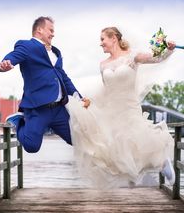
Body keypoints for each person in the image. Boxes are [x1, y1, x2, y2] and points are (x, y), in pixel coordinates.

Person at [67, 26, 176, 188]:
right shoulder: (103, 65)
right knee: (114, 153)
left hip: (130, 108)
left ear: (113, 38)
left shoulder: (132, 56)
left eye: (103, 39)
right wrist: (90, 103)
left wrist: (168, 50)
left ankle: (162, 162)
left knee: (140, 141)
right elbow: (105, 89)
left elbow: (156, 58)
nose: (101, 43)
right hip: (112, 111)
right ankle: (149, 169)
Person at [0, 16, 90, 153]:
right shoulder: (27, 46)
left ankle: (48, 126)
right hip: (38, 108)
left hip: (59, 109)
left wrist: (78, 96)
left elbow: (63, 78)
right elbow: (13, 56)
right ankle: (18, 121)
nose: (53, 34)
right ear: (39, 30)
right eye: (50, 30)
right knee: (31, 147)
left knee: (77, 140)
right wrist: (5, 64)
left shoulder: (55, 53)